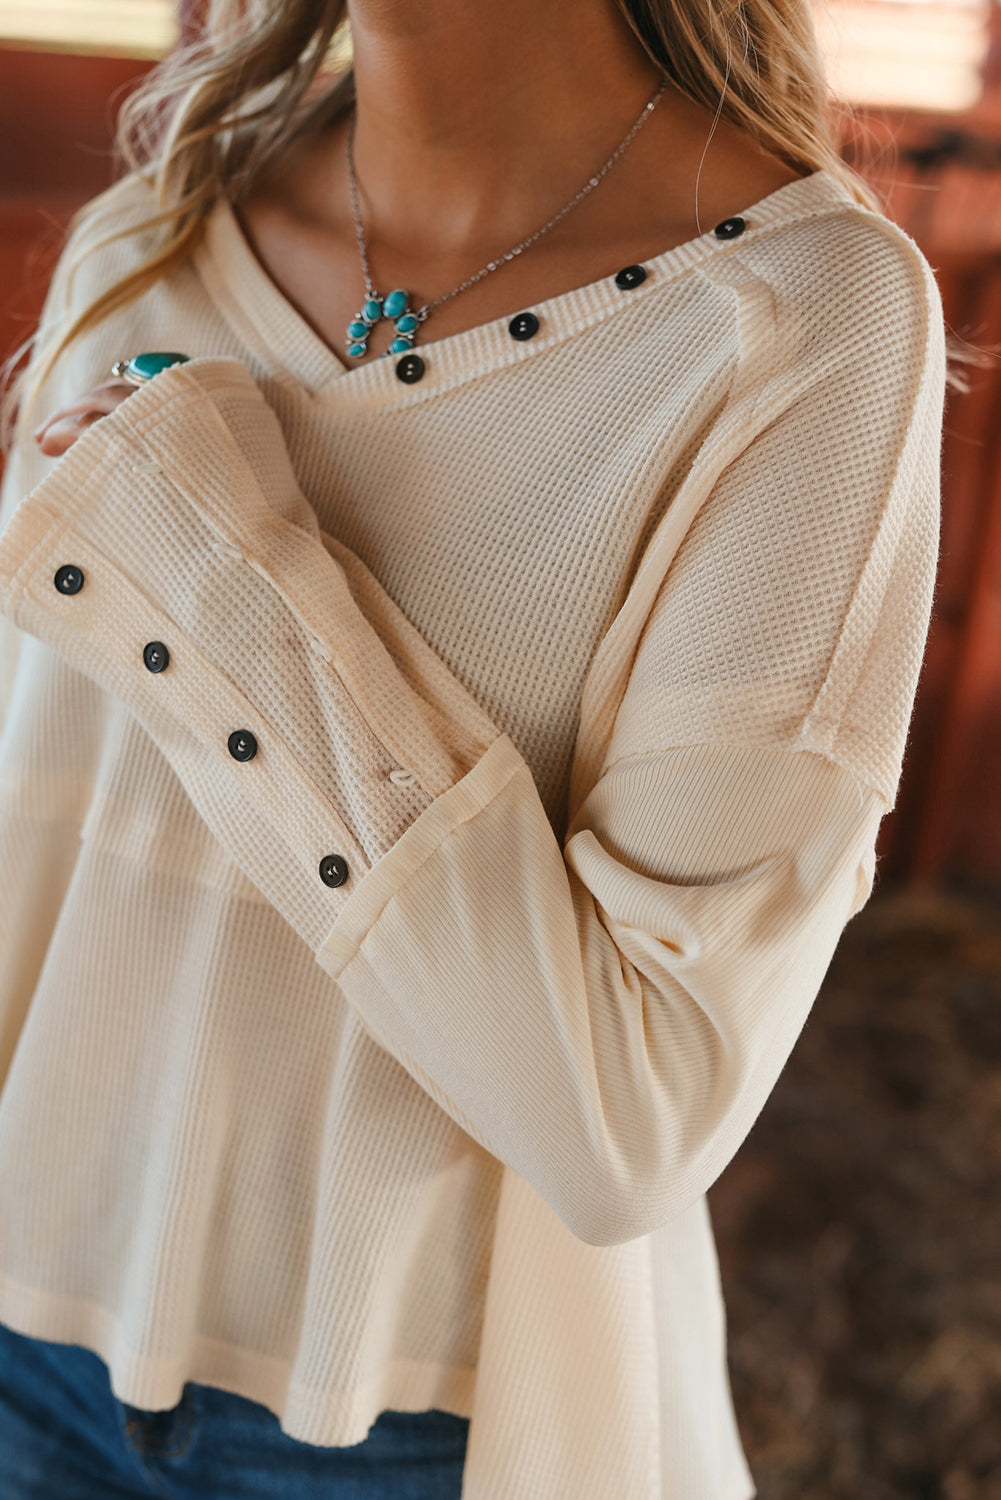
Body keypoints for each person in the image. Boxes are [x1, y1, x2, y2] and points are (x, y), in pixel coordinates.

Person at [0, 0, 945, 1495]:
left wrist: (222, 583)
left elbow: (627, 1116)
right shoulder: (154, 236)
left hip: (396, 1434)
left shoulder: (801, 321)